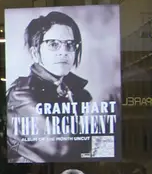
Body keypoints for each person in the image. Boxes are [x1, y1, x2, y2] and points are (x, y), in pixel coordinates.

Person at [6, 12, 92, 163]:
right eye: (53, 44)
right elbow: (61, 148)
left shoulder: (78, 92)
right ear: (35, 52)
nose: (63, 52)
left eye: (70, 45)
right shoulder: (21, 94)